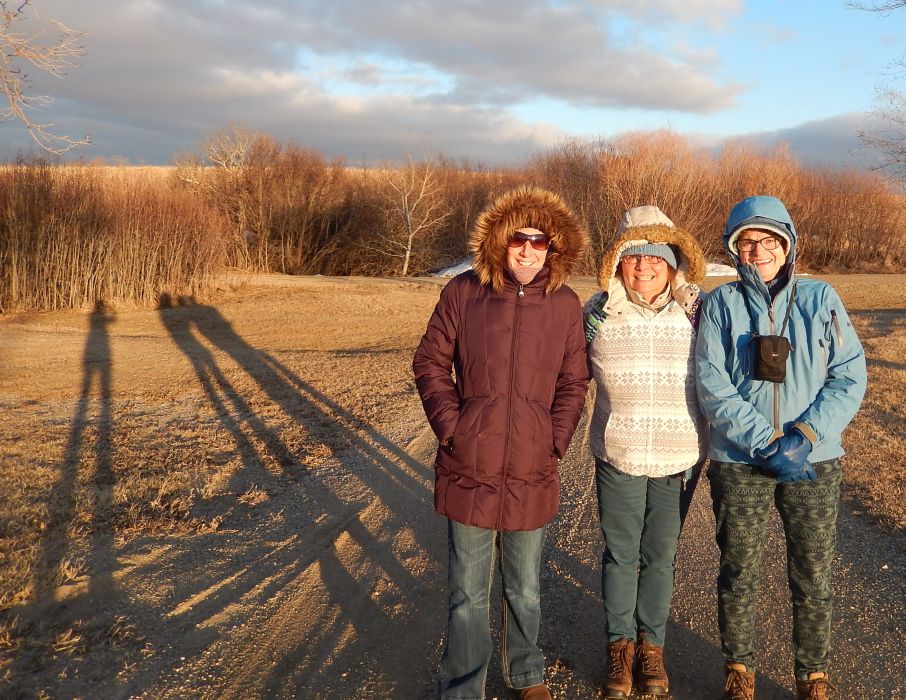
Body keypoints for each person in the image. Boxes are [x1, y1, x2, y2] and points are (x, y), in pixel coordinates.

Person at [413, 186, 590, 700]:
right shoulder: (463, 292)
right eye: (520, 239)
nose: (529, 250)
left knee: (525, 588)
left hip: (533, 465)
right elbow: (430, 362)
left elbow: (573, 382)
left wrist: (555, 440)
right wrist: (452, 428)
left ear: (554, 249)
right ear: (500, 241)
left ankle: (527, 673)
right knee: (468, 591)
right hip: (471, 462)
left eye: (541, 242)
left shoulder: (564, 304)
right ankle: (464, 684)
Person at [695, 196, 867, 700]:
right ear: (735, 250)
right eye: (748, 242)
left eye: (770, 241)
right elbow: (712, 382)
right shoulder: (721, 305)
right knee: (738, 568)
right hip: (739, 462)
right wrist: (766, 439)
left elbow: (848, 375)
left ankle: (812, 673)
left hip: (812, 462)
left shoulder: (820, 299)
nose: (759, 250)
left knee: (813, 570)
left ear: (787, 245)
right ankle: (740, 668)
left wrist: (804, 436)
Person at [584, 205, 708, 699]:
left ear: (673, 262)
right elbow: (566, 375)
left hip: (680, 454)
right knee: (621, 554)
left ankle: (651, 647)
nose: (644, 267)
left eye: (656, 257)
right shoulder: (597, 312)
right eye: (633, 256)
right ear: (618, 262)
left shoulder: (698, 312)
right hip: (619, 449)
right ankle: (620, 648)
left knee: (661, 556)